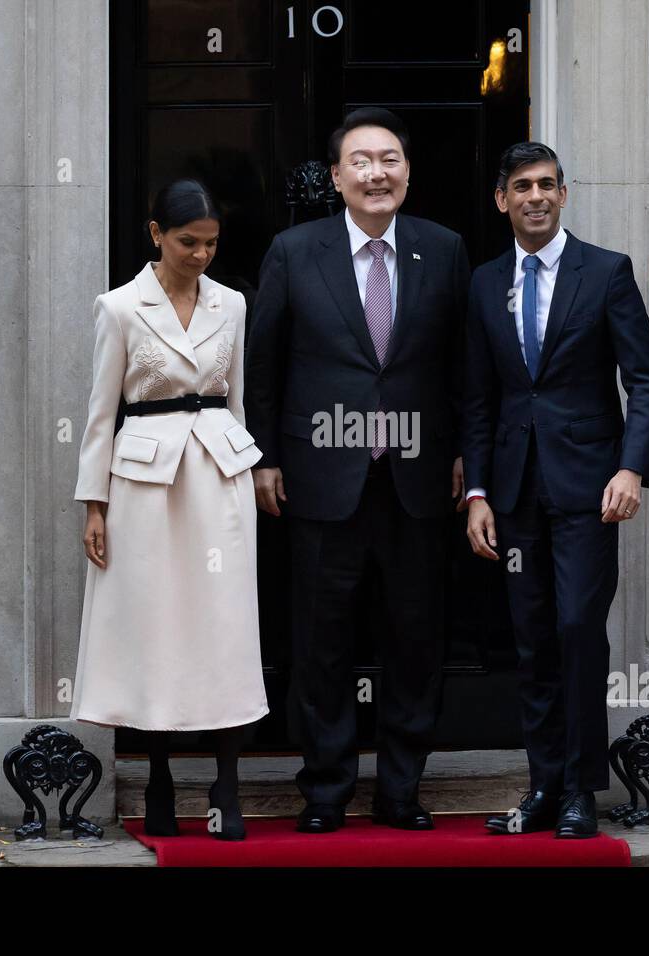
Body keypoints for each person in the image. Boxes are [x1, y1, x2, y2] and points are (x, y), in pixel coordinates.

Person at [245, 108, 470, 832]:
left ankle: (402, 790)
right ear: (337, 176)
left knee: (414, 642)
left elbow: (466, 367)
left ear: (408, 170)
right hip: (319, 478)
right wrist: (265, 457)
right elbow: (264, 367)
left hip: (418, 481)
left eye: (391, 159)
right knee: (321, 644)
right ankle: (325, 790)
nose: (378, 173)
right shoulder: (293, 250)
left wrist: (470, 454)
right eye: (363, 161)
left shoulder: (444, 249)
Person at [462, 142, 649, 838]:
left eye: (548, 184)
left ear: (564, 194)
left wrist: (632, 468)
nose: (537, 197)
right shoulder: (486, 283)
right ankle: (544, 784)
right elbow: (479, 399)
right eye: (522, 186)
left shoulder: (606, 272)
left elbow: (643, 381)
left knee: (579, 630)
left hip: (589, 491)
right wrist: (478, 492)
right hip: (515, 494)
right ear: (503, 199)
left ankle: (582, 787)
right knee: (532, 642)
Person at [71, 179, 268, 841]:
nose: (201, 254)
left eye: (212, 243)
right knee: (154, 627)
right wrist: (93, 504)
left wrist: (249, 469)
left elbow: (237, 400)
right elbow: (100, 416)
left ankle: (226, 784)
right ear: (156, 233)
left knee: (225, 627)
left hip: (219, 477)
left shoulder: (233, 305)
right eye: (189, 242)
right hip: (145, 484)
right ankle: (156, 778)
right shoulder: (120, 307)